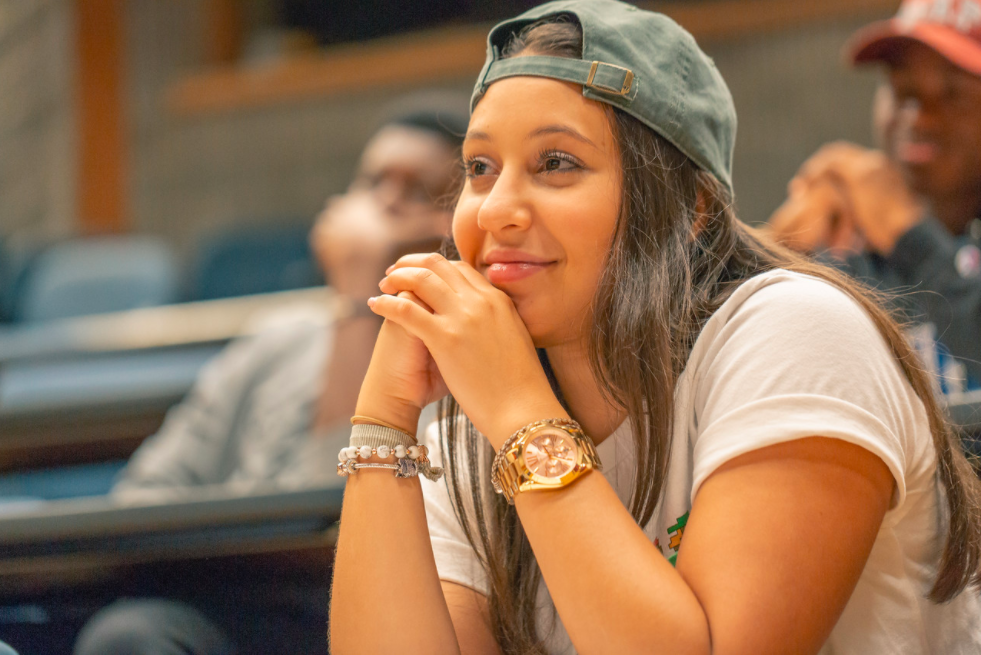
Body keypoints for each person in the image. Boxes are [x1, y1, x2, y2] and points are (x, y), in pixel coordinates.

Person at [329, 2, 981, 654]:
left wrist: (519, 415)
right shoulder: (475, 420)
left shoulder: (795, 332)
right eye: (478, 167)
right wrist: (384, 422)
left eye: (556, 162)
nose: (495, 209)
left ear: (688, 210)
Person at [72, 99, 467, 655]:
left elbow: (335, 521)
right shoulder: (280, 337)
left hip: (371, 618)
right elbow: (145, 496)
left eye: (418, 191)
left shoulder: (463, 358)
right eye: (373, 182)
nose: (383, 204)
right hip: (235, 602)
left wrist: (361, 301)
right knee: (130, 634)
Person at [768, 0, 981, 395]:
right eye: (902, 91)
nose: (918, 117)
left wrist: (911, 235)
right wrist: (771, 256)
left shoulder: (907, 239)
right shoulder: (846, 247)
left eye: (953, 94)